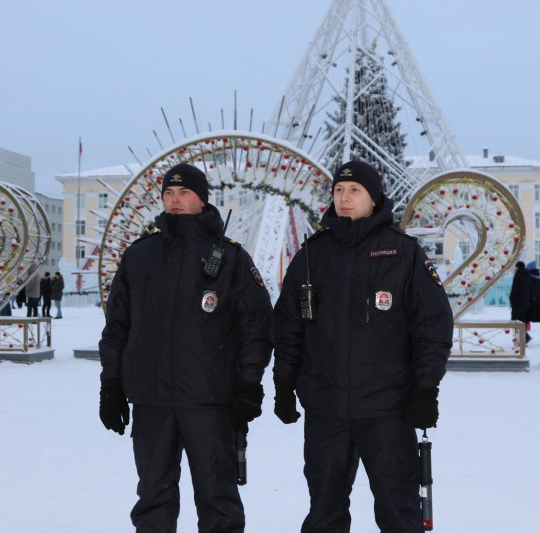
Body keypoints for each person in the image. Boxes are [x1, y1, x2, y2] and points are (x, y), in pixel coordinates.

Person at [272, 160, 453, 532]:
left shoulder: (403, 253)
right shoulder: (312, 254)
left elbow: (432, 327)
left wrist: (425, 390)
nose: (344, 198)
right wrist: (284, 386)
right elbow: (289, 326)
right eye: (339, 190)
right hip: (326, 407)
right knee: (324, 511)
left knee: (398, 511)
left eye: (354, 190)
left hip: (387, 408)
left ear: (373, 199)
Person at [98, 162, 273, 532]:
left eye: (185, 194)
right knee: (153, 498)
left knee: (218, 499)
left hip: (209, 400)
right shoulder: (139, 255)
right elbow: (117, 326)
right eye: (169, 194)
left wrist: (248, 386)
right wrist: (111, 385)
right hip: (152, 399)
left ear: (202, 200)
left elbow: (255, 328)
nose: (175, 201)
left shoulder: (230, 258)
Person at [510, 260, 532, 343]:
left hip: (518, 302)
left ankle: (521, 340)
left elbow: (515, 289)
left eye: (515, 267)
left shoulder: (518, 275)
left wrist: (512, 299)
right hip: (526, 302)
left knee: (515, 321)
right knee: (522, 321)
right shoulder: (528, 275)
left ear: (518, 267)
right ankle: (523, 339)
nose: (514, 268)